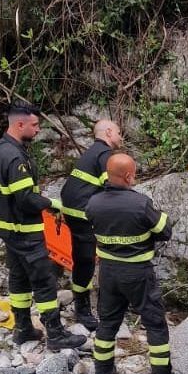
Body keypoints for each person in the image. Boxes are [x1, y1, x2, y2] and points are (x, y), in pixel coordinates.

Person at [0, 102, 86, 351]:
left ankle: (23, 329)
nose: (38, 129)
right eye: (34, 125)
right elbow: (26, 199)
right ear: (19, 124)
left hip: (8, 229)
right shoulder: (15, 157)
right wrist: (52, 203)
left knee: (18, 278)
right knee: (44, 281)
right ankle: (55, 333)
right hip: (24, 230)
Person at [86, 152, 173, 374]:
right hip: (138, 272)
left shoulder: (94, 202)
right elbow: (164, 230)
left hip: (109, 272)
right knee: (155, 324)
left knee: (107, 323)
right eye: (133, 173)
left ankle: (102, 371)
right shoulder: (139, 203)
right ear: (127, 176)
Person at [59, 119, 123, 330]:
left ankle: (85, 303)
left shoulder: (92, 152)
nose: (121, 137)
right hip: (82, 214)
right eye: (118, 132)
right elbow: (111, 186)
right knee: (87, 261)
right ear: (108, 132)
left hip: (73, 211)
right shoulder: (104, 154)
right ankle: (84, 309)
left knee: (83, 259)